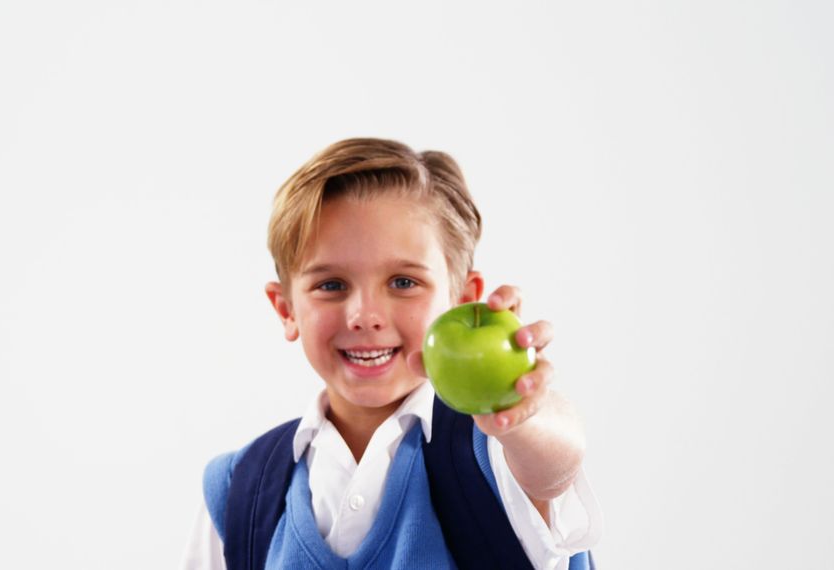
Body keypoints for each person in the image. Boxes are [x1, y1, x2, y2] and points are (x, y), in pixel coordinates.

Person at [181, 138, 602, 569]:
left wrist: (523, 416)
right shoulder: (238, 490)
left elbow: (556, 465)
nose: (365, 315)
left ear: (462, 300)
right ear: (286, 309)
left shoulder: (495, 449)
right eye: (331, 285)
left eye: (403, 282)